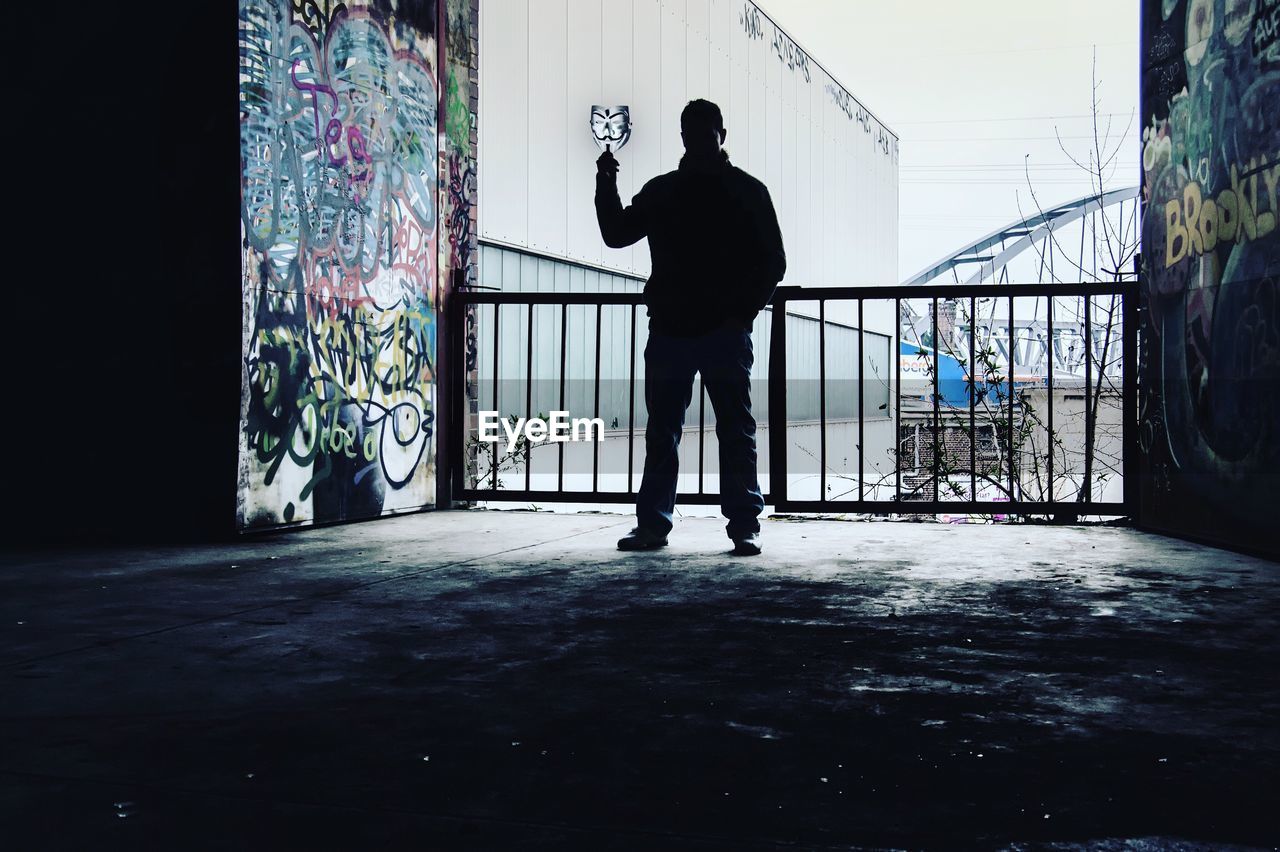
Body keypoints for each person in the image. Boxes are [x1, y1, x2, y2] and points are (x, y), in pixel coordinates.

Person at [595, 99, 786, 556]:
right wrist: (742, 313)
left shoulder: (663, 191)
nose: (698, 140)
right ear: (722, 133)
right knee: (734, 430)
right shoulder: (747, 191)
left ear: (694, 136)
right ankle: (743, 525)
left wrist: (606, 181)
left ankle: (654, 526)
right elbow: (773, 263)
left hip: (671, 329)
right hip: (722, 332)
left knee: (665, 430)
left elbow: (616, 232)